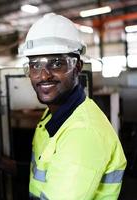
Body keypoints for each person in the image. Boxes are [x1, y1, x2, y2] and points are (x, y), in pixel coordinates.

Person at [21, 13, 127, 200]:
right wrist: (3, 164)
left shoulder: (83, 133)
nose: (44, 75)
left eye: (56, 63)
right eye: (35, 64)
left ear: (77, 67)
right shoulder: (53, 113)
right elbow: (48, 170)